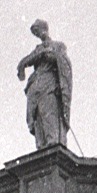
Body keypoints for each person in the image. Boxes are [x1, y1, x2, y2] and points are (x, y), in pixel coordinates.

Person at [16, 20, 72, 150]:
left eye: (38, 30)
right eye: (35, 32)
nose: (38, 34)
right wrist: (22, 66)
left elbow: (64, 63)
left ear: (45, 28)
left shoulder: (58, 45)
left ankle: (53, 144)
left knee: (48, 113)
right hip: (35, 87)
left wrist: (47, 55)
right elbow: (25, 61)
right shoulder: (38, 49)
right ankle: (41, 146)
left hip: (49, 84)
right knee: (37, 117)